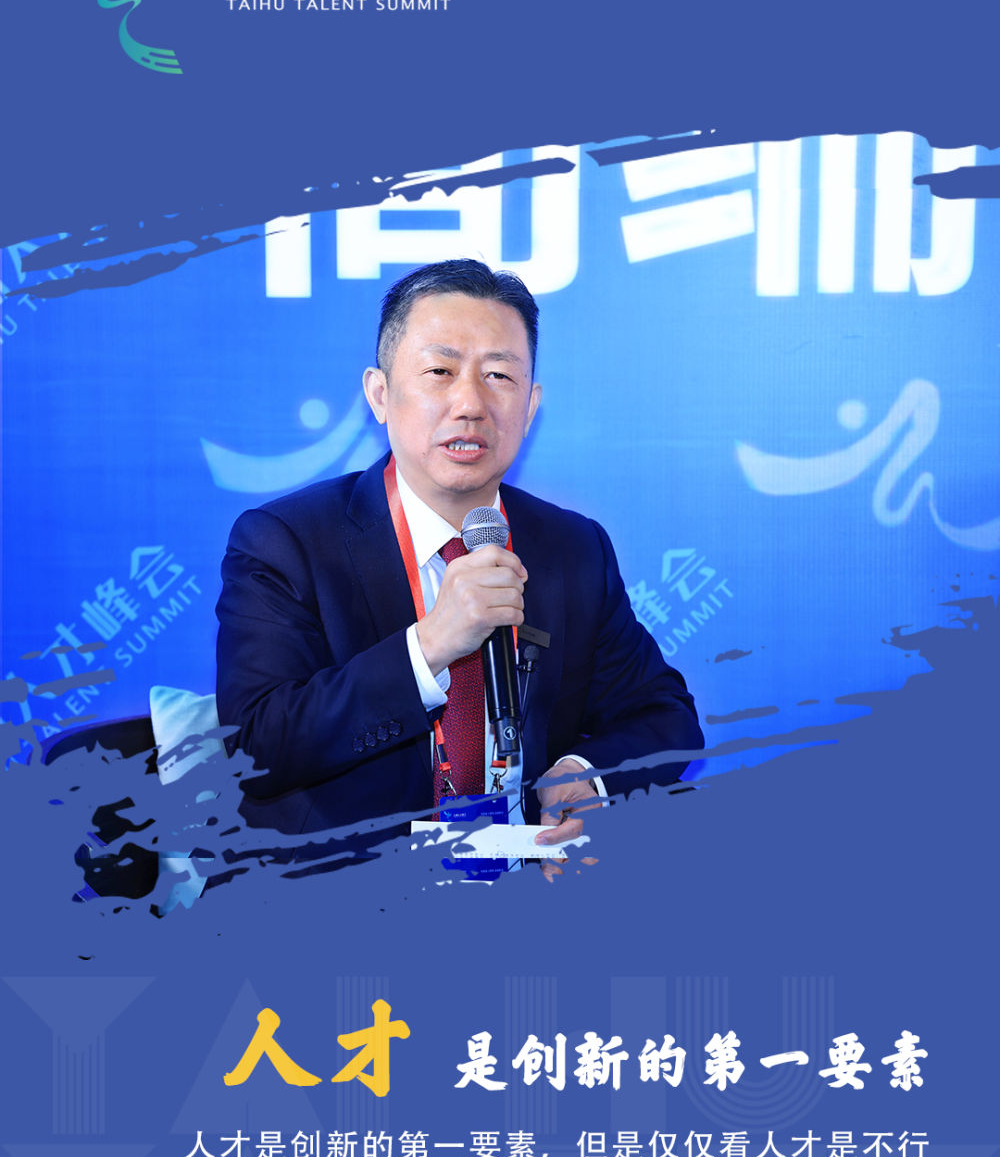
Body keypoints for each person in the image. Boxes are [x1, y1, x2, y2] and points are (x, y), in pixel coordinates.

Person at [216, 259, 703, 847]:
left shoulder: (573, 547)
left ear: (531, 405)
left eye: (498, 375)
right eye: (440, 371)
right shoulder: (285, 542)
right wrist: (430, 646)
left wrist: (585, 775)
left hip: (523, 874)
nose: (470, 402)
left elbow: (664, 717)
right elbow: (257, 749)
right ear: (380, 394)